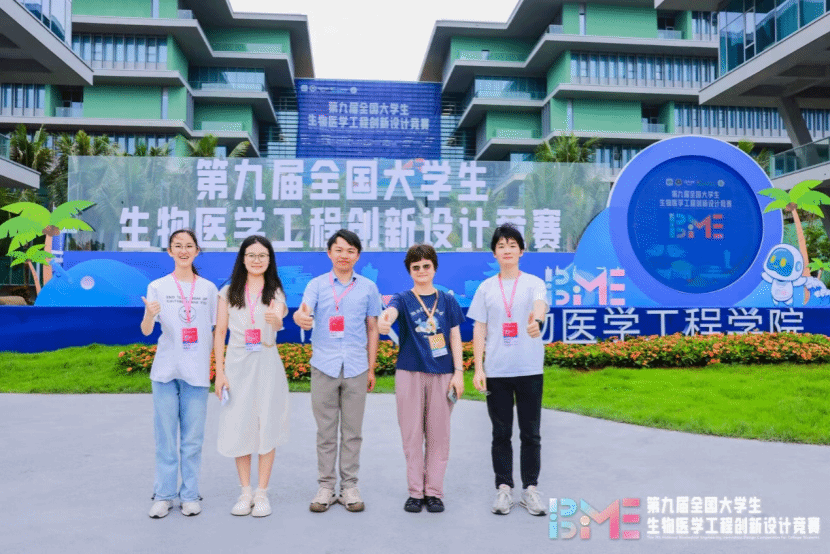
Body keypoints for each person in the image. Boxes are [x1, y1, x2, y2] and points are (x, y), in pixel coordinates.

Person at [294, 229, 381, 513]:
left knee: (353, 432)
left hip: (356, 367)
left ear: (358, 255)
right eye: (339, 250)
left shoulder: (368, 287)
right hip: (324, 366)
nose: (344, 255)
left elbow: (372, 328)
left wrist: (371, 368)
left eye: (350, 251)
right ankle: (326, 487)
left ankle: (350, 486)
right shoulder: (317, 285)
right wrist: (301, 317)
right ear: (329, 252)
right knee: (326, 432)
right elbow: (303, 311)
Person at [468, 223, 549, 516]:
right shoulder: (486, 288)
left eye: (512, 245)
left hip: (529, 369)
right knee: (501, 433)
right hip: (497, 371)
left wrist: (537, 321)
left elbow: (540, 305)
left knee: (531, 433)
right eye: (501, 246)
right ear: (494, 253)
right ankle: (504, 488)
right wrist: (479, 368)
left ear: (521, 251)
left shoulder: (534, 283)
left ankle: (530, 490)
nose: (507, 250)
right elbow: (479, 328)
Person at [378, 244, 465, 514]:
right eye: (416, 267)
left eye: (426, 266)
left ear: (434, 268)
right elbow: (391, 312)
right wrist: (385, 319)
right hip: (410, 373)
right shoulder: (403, 298)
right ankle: (415, 492)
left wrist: (459, 373)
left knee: (439, 435)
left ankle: (434, 492)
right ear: (409, 271)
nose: (422, 271)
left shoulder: (447, 300)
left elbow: (455, 337)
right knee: (412, 435)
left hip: (443, 374)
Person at [141, 229, 218, 519]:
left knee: (192, 440)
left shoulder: (208, 289)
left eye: (189, 246)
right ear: (170, 251)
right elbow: (146, 330)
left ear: (197, 251)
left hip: (196, 372)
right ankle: (163, 495)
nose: (183, 250)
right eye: (177, 246)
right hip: (165, 371)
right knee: (165, 438)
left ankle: (190, 495)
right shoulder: (157, 286)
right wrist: (149, 314)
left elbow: (215, 329)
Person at [213, 235, 289, 518]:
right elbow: (220, 332)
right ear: (242, 258)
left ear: (270, 260)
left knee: (267, 424)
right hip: (237, 364)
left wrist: (276, 320)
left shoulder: (275, 290)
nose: (257, 260)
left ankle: (262, 493)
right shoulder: (228, 291)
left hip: (267, 361)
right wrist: (219, 372)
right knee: (239, 423)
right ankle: (245, 492)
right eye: (251, 255)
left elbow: (279, 317)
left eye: (262, 255)